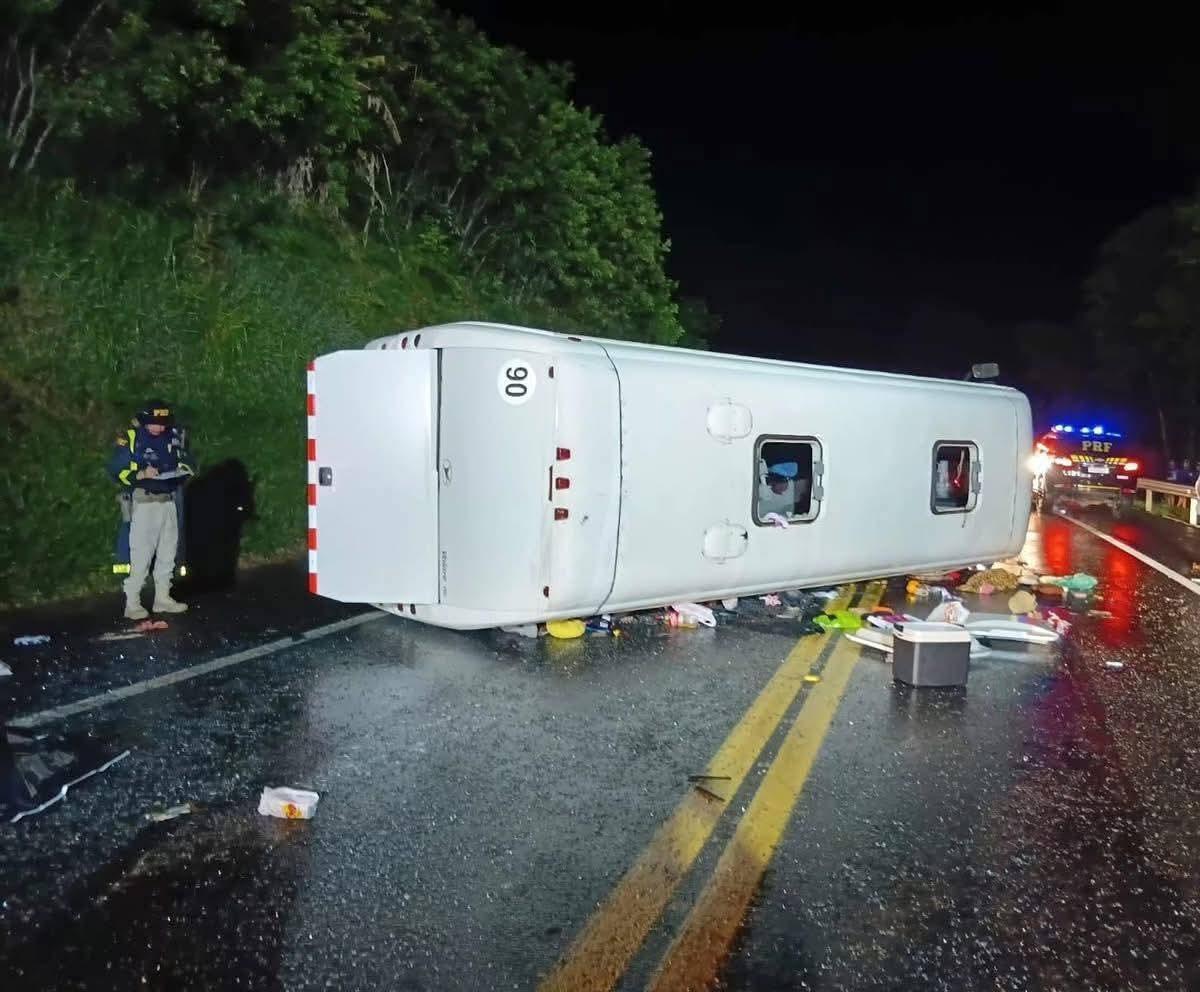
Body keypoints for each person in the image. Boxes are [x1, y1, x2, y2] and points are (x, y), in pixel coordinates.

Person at [107, 400, 195, 619]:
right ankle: (132, 603)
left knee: (168, 553)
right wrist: (141, 474)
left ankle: (162, 599)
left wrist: (184, 469)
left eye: (162, 423)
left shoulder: (173, 435)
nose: (159, 427)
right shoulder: (132, 437)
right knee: (141, 555)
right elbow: (115, 469)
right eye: (154, 423)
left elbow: (187, 460)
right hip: (144, 503)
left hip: (169, 501)